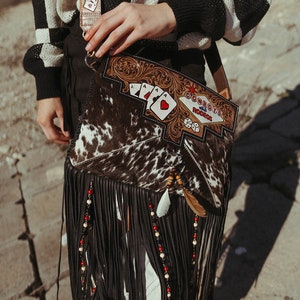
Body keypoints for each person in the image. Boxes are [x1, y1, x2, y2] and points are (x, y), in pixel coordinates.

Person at [24, 0, 271, 299]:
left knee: (165, 263)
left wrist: (172, 13)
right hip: (88, 77)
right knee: (101, 259)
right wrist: (47, 79)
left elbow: (247, 12)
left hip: (171, 81)